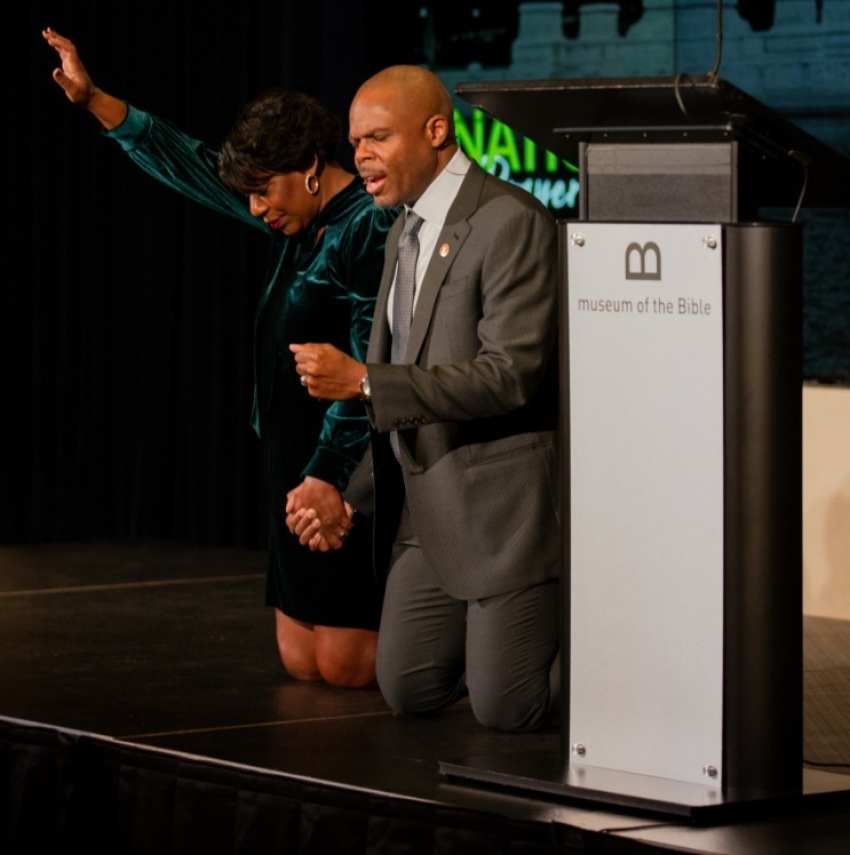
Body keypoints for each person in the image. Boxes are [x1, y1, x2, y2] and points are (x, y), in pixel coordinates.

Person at [43, 28, 398, 689]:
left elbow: (363, 363)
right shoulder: (296, 217)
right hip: (288, 465)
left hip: (345, 470)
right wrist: (93, 100)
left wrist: (329, 477)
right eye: (251, 195)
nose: (256, 207)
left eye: (266, 191)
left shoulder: (366, 226)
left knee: (344, 667)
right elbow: (190, 162)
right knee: (301, 661)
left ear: (312, 165)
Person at [288, 65, 561, 731]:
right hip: (427, 507)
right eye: (356, 143)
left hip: (504, 514)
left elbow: (508, 375)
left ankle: (609, 641)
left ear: (436, 130)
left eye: (377, 136)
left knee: (508, 707)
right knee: (407, 686)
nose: (361, 156)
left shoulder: (510, 220)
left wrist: (361, 381)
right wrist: (351, 498)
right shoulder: (400, 231)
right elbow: (406, 386)